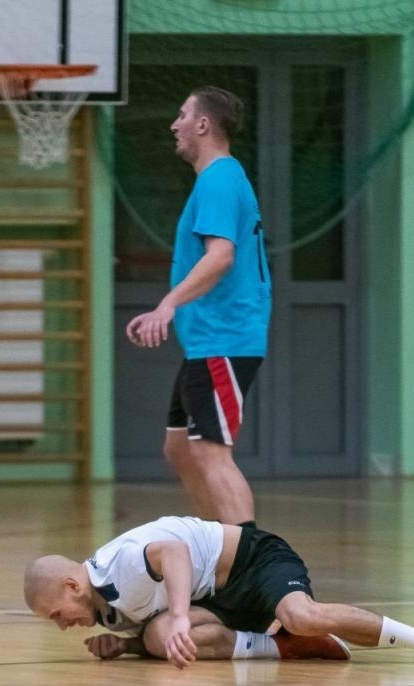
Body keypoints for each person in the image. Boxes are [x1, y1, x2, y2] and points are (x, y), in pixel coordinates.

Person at [25, 516, 414, 667]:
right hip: (215, 600)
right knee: (161, 640)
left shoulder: (120, 567)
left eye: (56, 614)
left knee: (301, 615)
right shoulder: (101, 603)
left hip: (253, 562)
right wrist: (126, 646)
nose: (61, 625)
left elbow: (174, 552)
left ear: (72, 585)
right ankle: (289, 648)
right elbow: (153, 627)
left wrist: (179, 615)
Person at [126, 86, 269, 526]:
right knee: (181, 451)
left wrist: (168, 304)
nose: (175, 125)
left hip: (225, 336)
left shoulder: (219, 180)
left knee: (210, 451)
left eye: (182, 115)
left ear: (203, 125)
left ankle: (249, 556)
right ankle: (217, 546)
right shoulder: (217, 179)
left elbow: (221, 255)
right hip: (208, 340)